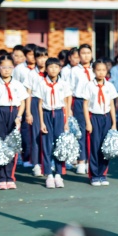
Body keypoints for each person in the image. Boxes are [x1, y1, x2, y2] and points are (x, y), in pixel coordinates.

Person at [0, 55, 29, 190]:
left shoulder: (17, 84)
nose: (6, 70)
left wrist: (19, 116)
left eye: (9, 67)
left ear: (13, 68)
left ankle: (9, 177)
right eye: (3, 67)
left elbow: (22, 102)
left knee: (11, 146)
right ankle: (1, 178)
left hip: (13, 113)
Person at [35, 57, 72, 189]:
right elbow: (39, 104)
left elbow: (67, 103)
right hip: (46, 114)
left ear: (60, 69)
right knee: (46, 145)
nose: (53, 69)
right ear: (46, 69)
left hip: (59, 113)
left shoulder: (64, 84)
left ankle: (58, 174)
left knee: (59, 145)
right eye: (50, 67)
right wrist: (41, 123)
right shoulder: (41, 83)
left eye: (56, 67)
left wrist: (66, 121)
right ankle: (49, 174)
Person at [81, 59, 118, 186]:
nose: (101, 72)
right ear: (93, 71)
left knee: (105, 146)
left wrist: (114, 123)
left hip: (106, 117)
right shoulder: (89, 85)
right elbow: (85, 105)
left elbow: (112, 105)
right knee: (94, 146)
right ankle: (94, 175)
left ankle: (103, 174)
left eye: (104, 70)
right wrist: (88, 122)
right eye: (98, 70)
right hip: (94, 118)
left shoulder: (110, 86)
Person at [24, 46, 48, 177]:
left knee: (48, 133)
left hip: (49, 104)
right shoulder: (32, 74)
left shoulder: (52, 71)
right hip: (34, 103)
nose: (42, 60)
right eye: (39, 57)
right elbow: (28, 93)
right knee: (36, 134)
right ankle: (37, 163)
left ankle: (47, 161)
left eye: (45, 57)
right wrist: (28, 112)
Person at [70, 44, 94, 175]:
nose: (86, 56)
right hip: (79, 102)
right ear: (79, 55)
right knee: (81, 132)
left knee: (94, 132)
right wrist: (69, 108)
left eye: (88, 53)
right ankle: (81, 161)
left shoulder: (96, 68)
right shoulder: (74, 70)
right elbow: (69, 90)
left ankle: (92, 161)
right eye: (83, 53)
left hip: (94, 103)